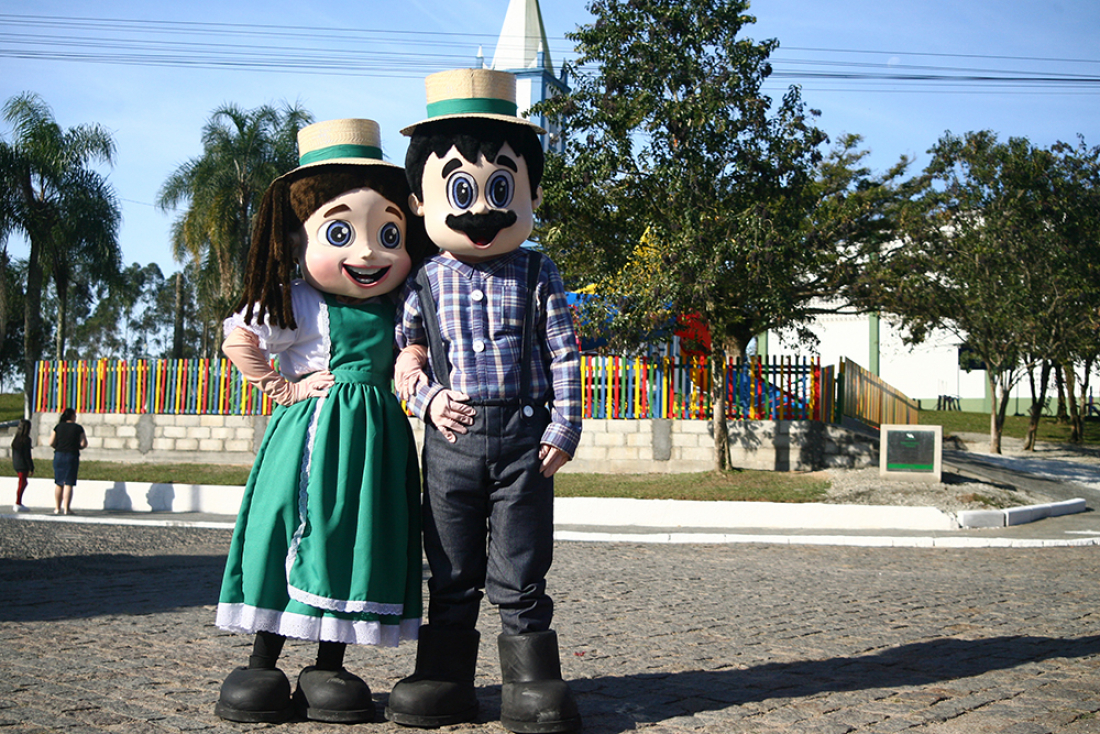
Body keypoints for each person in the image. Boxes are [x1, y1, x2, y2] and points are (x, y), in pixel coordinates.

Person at [212, 118, 434, 725]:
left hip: (376, 441)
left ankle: (328, 665)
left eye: (388, 232)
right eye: (341, 231)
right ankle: (263, 660)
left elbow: (415, 352)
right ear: (298, 235)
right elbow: (239, 340)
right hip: (312, 436)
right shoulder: (299, 300)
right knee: (290, 527)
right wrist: (283, 386)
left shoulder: (401, 303)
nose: (368, 250)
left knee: (352, 537)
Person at [386, 68, 583, 734]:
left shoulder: (537, 270)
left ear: (528, 193)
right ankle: (443, 678)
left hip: (525, 442)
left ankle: (531, 684)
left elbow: (563, 352)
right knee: (450, 565)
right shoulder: (424, 280)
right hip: (449, 447)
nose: (481, 209)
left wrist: (565, 424)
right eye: (461, 190)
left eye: (501, 188)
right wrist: (426, 398)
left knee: (523, 566)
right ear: (420, 200)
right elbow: (404, 358)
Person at [50, 408, 86, 515]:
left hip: (59, 455)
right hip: (72, 455)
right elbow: (84, 443)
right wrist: (77, 446)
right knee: (69, 482)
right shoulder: (78, 428)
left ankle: (57, 508)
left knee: (59, 482)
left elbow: (51, 441)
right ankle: (66, 508)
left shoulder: (58, 427)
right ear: (72, 416)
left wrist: (58, 446)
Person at [11, 418, 34, 512]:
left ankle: (18, 502)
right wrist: (31, 467)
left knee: (22, 482)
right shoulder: (26, 440)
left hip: (16, 463)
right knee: (22, 483)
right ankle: (18, 502)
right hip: (23, 464)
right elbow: (27, 455)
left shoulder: (16, 439)